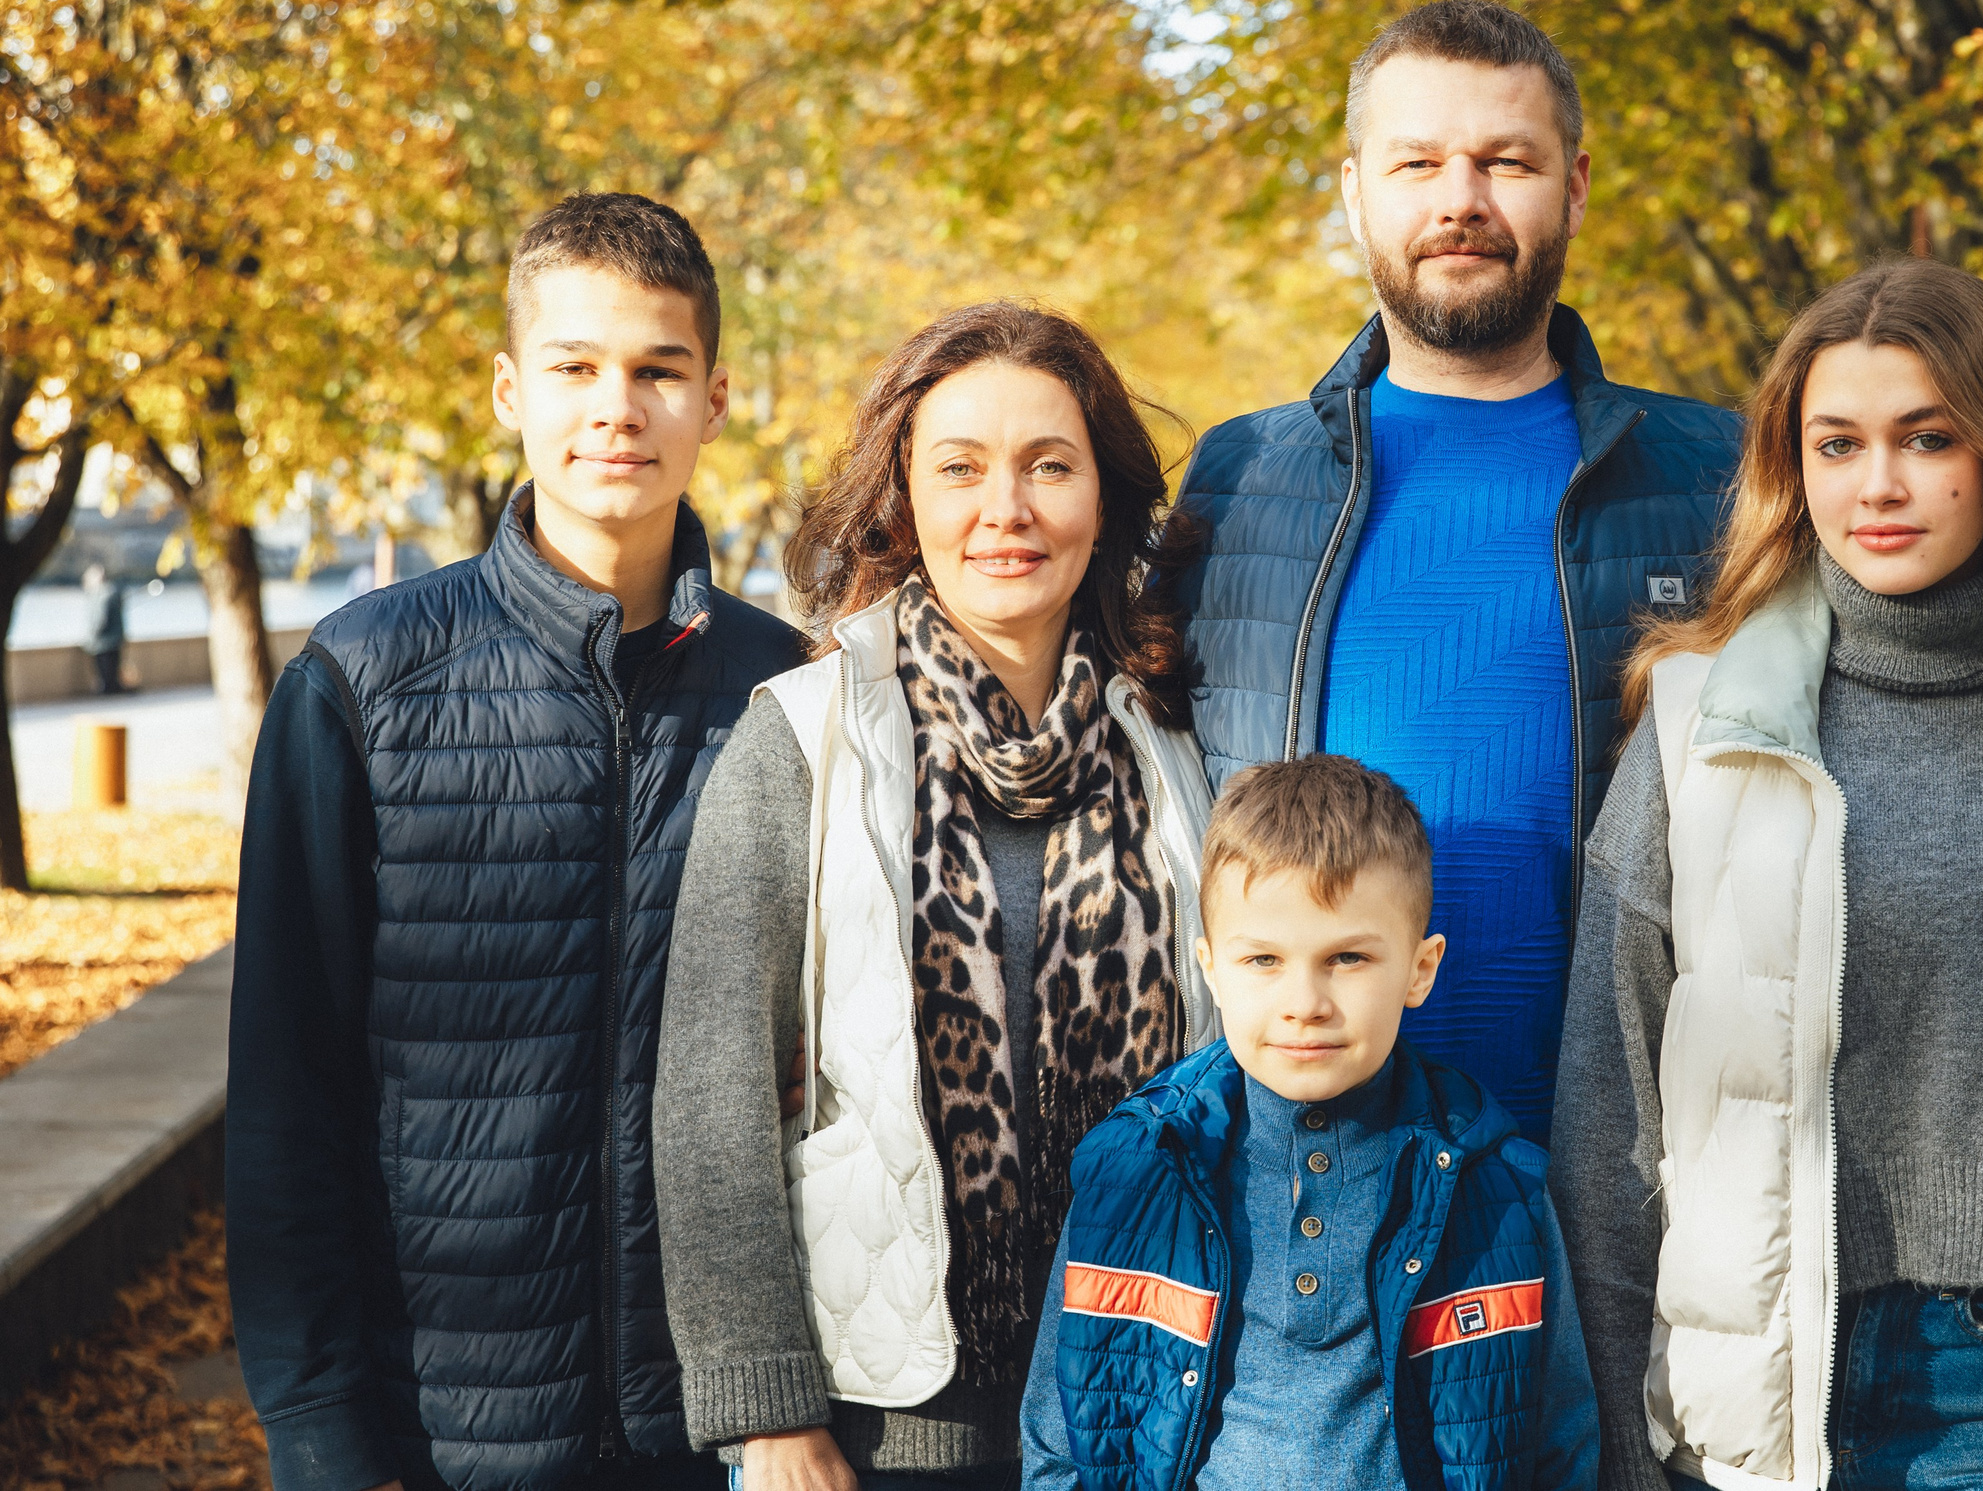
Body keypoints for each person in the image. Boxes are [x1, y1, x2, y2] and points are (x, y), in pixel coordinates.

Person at [1550, 258, 1983, 1491]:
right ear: (1792, 465)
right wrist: (1616, 1449)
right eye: (1836, 444)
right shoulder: (1695, 723)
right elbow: (1611, 1123)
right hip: (1753, 1385)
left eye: (1926, 439)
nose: (1877, 486)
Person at [226, 192, 805, 1491]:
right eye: (577, 367)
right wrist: (319, 1430)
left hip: (718, 1430)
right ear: (509, 389)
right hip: (442, 1425)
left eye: (659, 369)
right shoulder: (365, 681)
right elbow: (285, 1090)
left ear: (714, 398)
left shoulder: (794, 694)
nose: (619, 405)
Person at [652, 302, 1217, 1491]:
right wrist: (771, 1416)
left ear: (1104, 498)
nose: (1003, 511)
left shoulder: (1176, 744)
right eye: (958, 469)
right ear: (901, 500)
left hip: (1149, 1402)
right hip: (885, 1432)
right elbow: (713, 1097)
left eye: (1047, 466)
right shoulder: (803, 742)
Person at [1170, 0, 1742, 1144]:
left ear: (1573, 186)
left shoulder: (1716, 472)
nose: (1459, 201)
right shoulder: (1237, 477)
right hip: (1303, 1165)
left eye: (1505, 162)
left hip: (1632, 1156)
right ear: (1354, 190)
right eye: (1418, 161)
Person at [1019, 753, 1601, 1490]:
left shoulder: (1499, 1185)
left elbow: (1562, 1449)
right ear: (1209, 968)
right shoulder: (1135, 1170)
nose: (1305, 1001)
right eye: (1263, 959)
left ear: (1420, 969)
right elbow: (1056, 1447)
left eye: (1347, 957)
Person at [81, 562, 126, 694]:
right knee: (112, 671)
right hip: (115, 638)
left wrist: (92, 636)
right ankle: (112, 689)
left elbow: (100, 618)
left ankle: (108, 690)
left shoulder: (101, 594)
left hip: (103, 641)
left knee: (106, 673)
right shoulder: (113, 591)